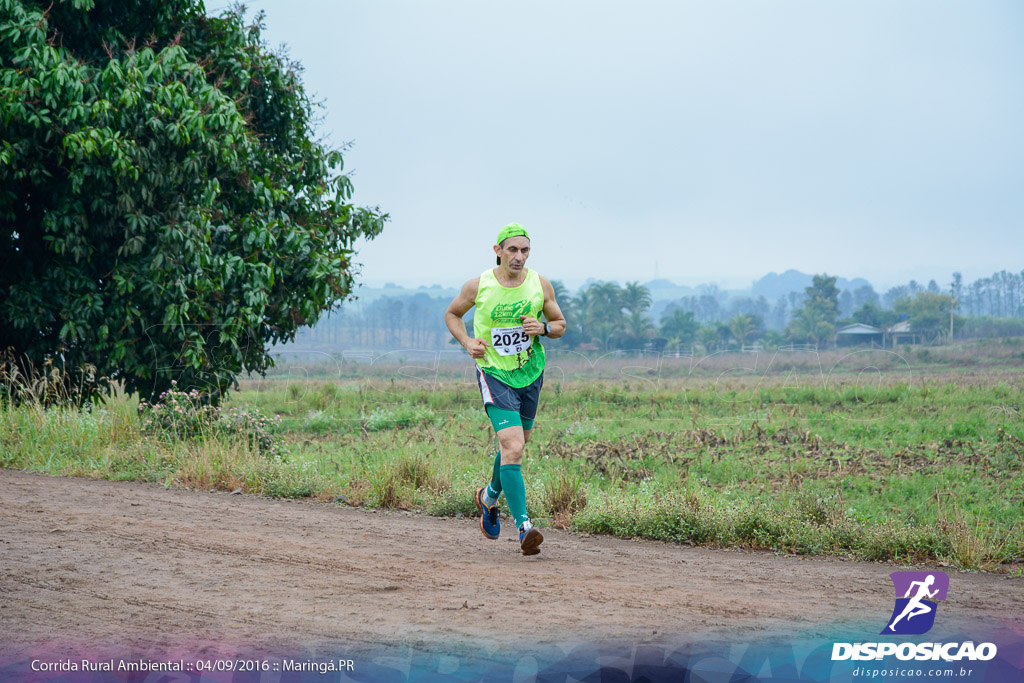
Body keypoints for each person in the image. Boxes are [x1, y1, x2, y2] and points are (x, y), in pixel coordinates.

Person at [444, 223, 566, 555]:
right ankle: (525, 526)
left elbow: (560, 325)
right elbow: (453, 314)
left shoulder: (539, 285)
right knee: (512, 446)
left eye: (525, 250)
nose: (519, 256)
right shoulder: (478, 285)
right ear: (497, 250)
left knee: (519, 442)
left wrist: (542, 327)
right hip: (494, 372)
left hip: (529, 372)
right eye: (512, 249)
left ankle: (488, 498)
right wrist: (468, 341)